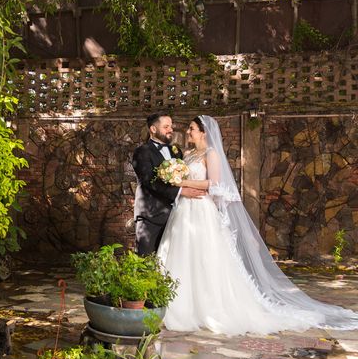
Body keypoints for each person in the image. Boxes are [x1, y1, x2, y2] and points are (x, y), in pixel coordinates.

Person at [158, 115, 358, 335]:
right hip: (183, 211)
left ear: (203, 132)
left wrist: (181, 181)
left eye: (192, 129)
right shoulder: (187, 155)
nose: (188, 132)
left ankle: (206, 306)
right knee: (181, 253)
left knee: (204, 257)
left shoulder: (211, 154)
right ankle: (177, 305)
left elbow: (214, 184)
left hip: (201, 210)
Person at [132, 113, 206, 256]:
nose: (170, 129)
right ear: (153, 129)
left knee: (170, 262)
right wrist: (180, 192)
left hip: (177, 217)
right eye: (166, 127)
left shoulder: (176, 152)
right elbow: (149, 182)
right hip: (150, 217)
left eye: (171, 126)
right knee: (145, 262)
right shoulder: (142, 152)